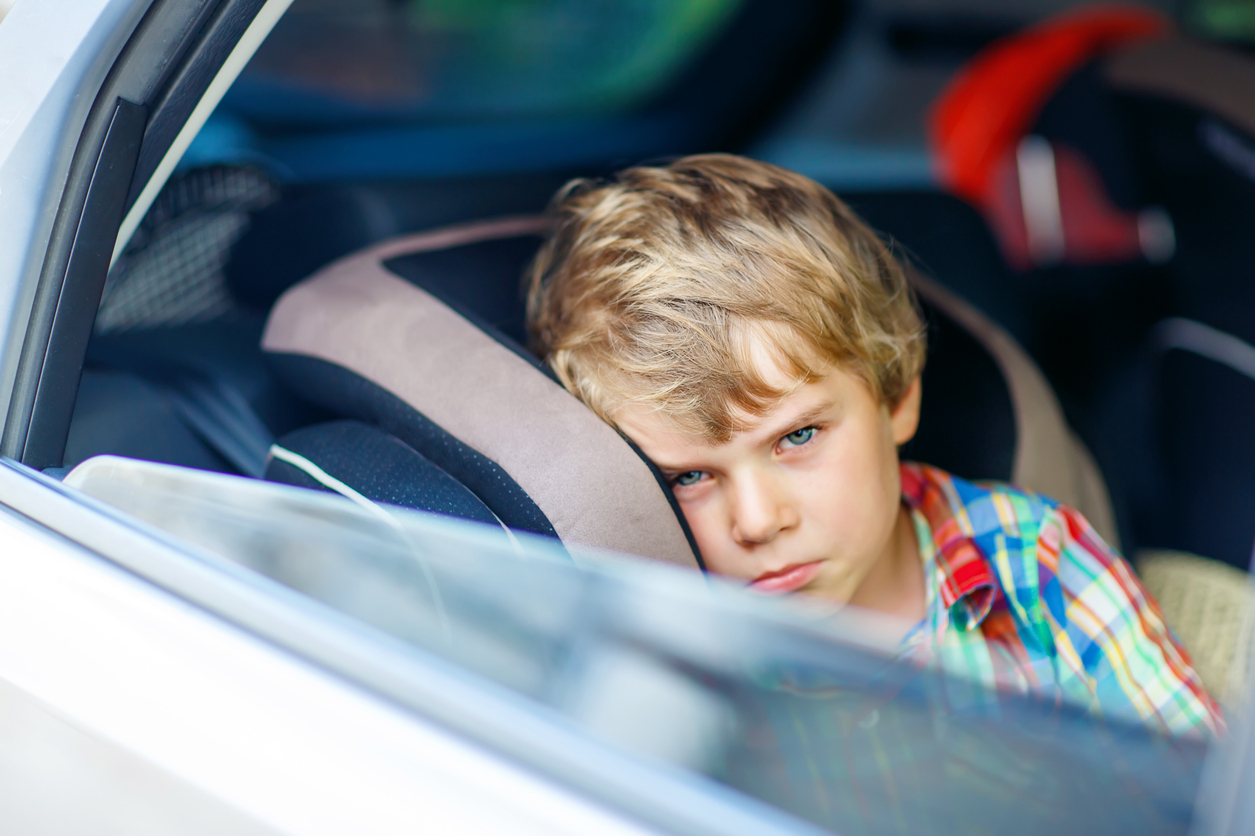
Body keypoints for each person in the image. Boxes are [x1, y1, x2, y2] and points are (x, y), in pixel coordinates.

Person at [525, 153, 1221, 738]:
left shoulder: (1032, 566)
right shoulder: (667, 645)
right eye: (687, 478)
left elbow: (1191, 787)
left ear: (896, 399)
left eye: (797, 436)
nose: (759, 520)